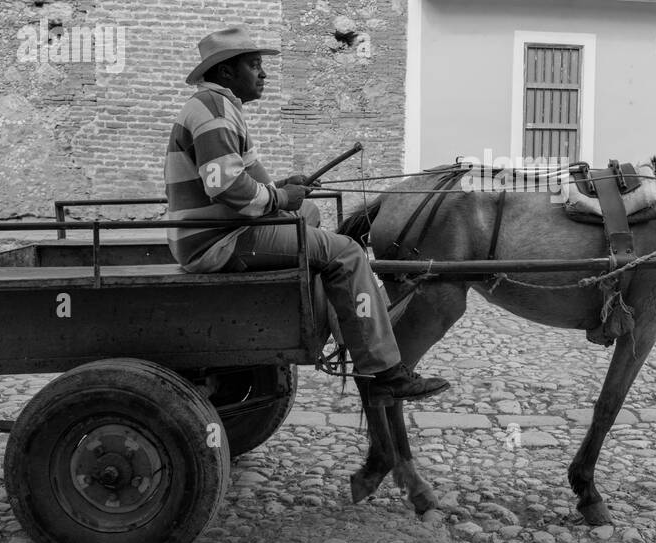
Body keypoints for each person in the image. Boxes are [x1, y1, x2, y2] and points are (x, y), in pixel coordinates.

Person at [164, 23, 449, 408]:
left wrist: (288, 188)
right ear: (226, 71)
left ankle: (332, 313)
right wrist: (281, 196)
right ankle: (385, 372)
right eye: (253, 65)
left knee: (310, 211)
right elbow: (227, 188)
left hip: (219, 229)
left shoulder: (223, 107)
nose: (263, 73)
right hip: (217, 239)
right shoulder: (214, 110)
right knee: (347, 253)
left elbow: (250, 179)